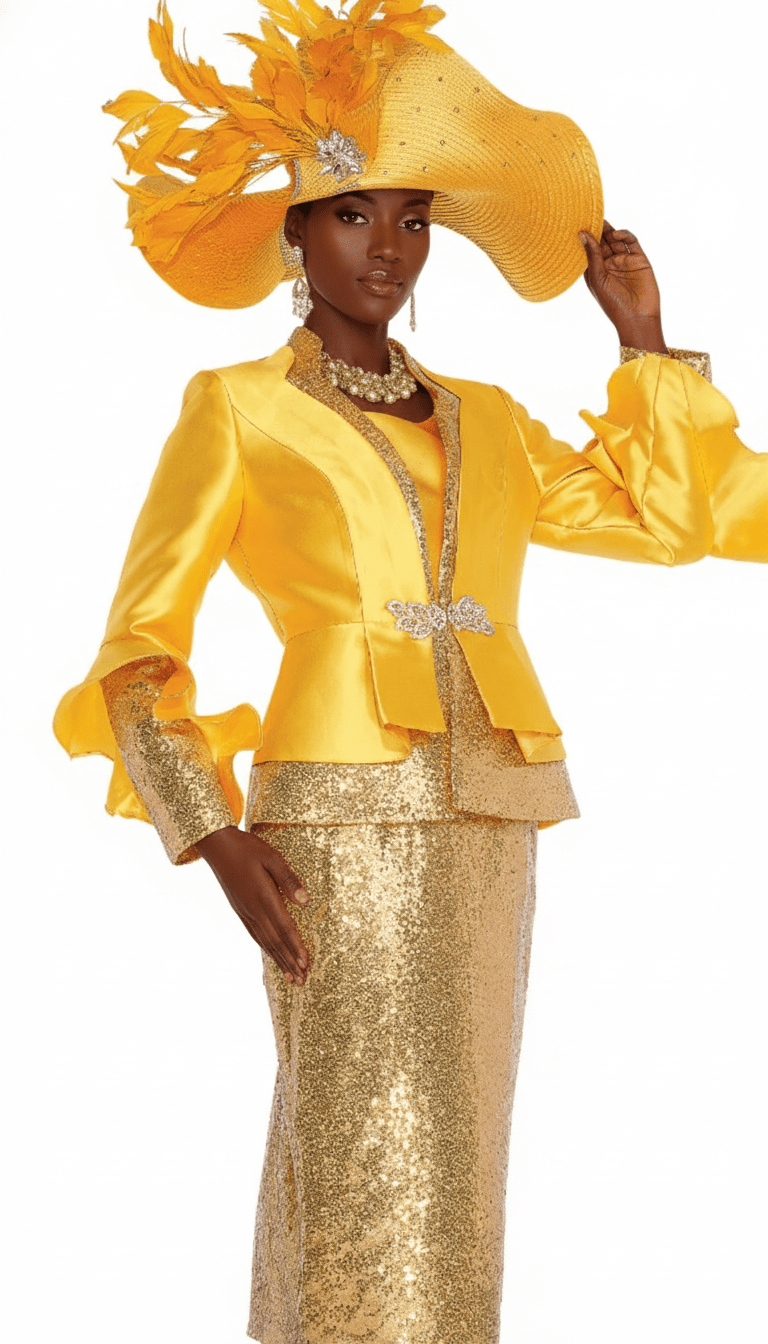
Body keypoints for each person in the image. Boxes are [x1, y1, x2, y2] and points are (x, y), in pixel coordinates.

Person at [53, 2, 768, 1340]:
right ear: (296, 233)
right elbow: (137, 653)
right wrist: (210, 832)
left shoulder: (486, 420)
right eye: (350, 214)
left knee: (459, 1168)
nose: (386, 248)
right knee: (354, 1160)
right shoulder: (236, 408)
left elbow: (673, 522)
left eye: (411, 219)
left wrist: (642, 339)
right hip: (333, 827)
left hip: (494, 817)